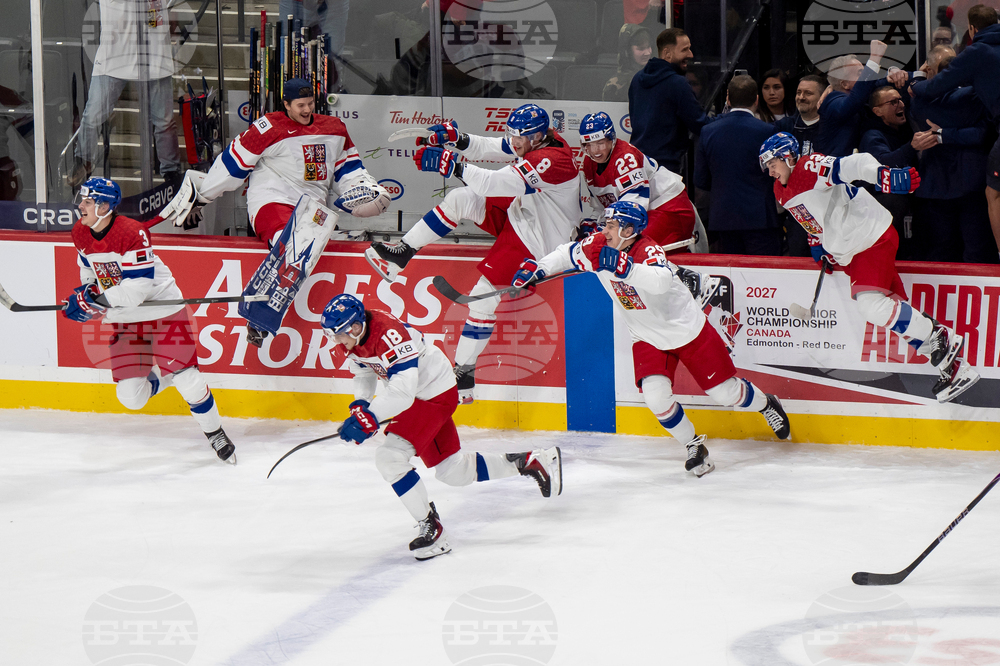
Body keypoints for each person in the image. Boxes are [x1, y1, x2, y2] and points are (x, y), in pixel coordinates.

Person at [511, 201, 791, 477]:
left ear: (630, 230)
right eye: (605, 224)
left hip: (687, 330)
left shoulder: (649, 249)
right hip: (646, 335)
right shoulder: (596, 246)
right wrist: (539, 269)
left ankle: (767, 404)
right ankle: (694, 446)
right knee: (656, 399)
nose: (604, 231)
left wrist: (625, 268)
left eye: (611, 225)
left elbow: (660, 281)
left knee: (726, 393)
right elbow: (567, 253)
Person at [320, 293, 562, 560]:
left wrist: (372, 417)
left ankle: (433, 530)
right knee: (453, 472)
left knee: (389, 458)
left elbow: (402, 394)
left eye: (338, 334)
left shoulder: (389, 335)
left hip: (431, 393)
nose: (337, 340)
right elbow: (364, 370)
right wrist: (361, 405)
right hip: (421, 395)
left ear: (354, 327)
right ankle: (529, 461)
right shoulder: (355, 337)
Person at [365, 104, 580, 404]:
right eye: (513, 134)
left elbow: (493, 183)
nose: (515, 141)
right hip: (523, 215)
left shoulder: (552, 159)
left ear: (539, 135)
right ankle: (400, 255)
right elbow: (497, 146)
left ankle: (463, 372)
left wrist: (453, 165)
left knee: (483, 299)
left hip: (538, 241)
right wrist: (459, 138)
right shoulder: (541, 140)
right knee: (461, 199)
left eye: (522, 136)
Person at [760, 132, 980, 403]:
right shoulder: (781, 189)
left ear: (789, 156)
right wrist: (818, 242)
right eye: (767, 166)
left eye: (773, 163)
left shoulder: (808, 167)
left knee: (871, 307)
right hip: (853, 249)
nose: (770, 171)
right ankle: (956, 368)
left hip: (869, 237)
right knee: (897, 315)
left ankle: (940, 334)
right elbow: (810, 218)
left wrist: (884, 176)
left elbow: (856, 163)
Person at [63, 178, 237, 464]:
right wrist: (85, 294)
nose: (80, 206)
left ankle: (214, 432)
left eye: (88, 201)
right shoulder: (80, 233)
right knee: (131, 398)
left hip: (163, 312)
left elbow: (135, 291)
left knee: (190, 382)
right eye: (81, 200)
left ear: (105, 206)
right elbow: (89, 272)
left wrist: (95, 298)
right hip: (126, 320)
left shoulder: (132, 233)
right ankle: (169, 374)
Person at [178, 78, 390, 246]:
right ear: (286, 104)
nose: (307, 110)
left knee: (313, 243)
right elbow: (232, 166)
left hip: (313, 208)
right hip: (273, 202)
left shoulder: (335, 128)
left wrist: (361, 188)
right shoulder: (268, 128)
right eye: (300, 105)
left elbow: (347, 169)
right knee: (290, 241)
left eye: (310, 103)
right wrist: (202, 196)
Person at [911, 4, 1000, 258]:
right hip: (955, 185)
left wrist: (915, 80)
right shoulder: (975, 95)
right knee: (969, 248)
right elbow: (980, 133)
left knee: (946, 248)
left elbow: (980, 134)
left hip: (949, 186)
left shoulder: (920, 100)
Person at [72, 0, 183, 190]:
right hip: (113, 61)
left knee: (164, 123)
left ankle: (171, 173)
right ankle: (83, 161)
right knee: (92, 116)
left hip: (155, 61)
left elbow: (172, 19)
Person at [578, 111, 695, 251]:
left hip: (670, 208)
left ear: (611, 139)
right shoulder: (588, 163)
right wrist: (594, 225)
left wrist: (605, 229)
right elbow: (602, 206)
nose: (595, 151)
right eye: (589, 145)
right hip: (643, 212)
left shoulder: (626, 158)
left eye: (600, 143)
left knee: (630, 246)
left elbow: (634, 208)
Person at [695, 75, 781, 255]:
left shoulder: (708, 131)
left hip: (723, 217)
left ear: (728, 99)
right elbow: (776, 174)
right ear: (757, 99)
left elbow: (700, 179)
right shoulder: (768, 131)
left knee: (731, 276)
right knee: (762, 276)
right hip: (760, 217)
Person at [859, 86, 931, 260]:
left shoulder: (904, 131)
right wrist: (912, 147)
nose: (900, 105)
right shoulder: (871, 135)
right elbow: (883, 164)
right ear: (877, 111)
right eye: (893, 102)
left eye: (900, 100)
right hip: (881, 210)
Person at [628, 28, 713, 174]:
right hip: (665, 170)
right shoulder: (678, 83)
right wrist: (728, 119)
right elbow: (700, 124)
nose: (690, 54)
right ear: (667, 53)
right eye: (685, 50)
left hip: (637, 166)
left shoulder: (637, 79)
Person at [775, 74, 827, 256]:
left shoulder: (830, 127)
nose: (801, 97)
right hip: (795, 211)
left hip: (826, 211)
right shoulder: (783, 127)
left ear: (821, 97)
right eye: (798, 92)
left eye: (808, 93)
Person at [816, 40, 890, 157]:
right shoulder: (832, 101)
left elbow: (872, 84)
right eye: (860, 73)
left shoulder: (855, 94)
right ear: (844, 84)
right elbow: (855, 101)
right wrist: (874, 60)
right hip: (833, 172)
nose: (863, 77)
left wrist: (893, 74)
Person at [603, 25, 654, 102]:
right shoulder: (613, 86)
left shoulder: (657, 76)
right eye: (641, 48)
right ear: (627, 51)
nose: (647, 53)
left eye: (649, 47)